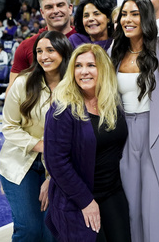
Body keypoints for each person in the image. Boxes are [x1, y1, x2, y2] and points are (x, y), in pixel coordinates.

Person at [111, 0, 159, 242]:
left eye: (135, 14)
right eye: (124, 14)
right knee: (131, 211)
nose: (128, 19)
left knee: (158, 214)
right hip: (123, 137)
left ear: (148, 18)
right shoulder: (113, 51)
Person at [44, 44, 131, 242]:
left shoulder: (112, 104)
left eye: (91, 65)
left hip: (112, 193)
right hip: (78, 197)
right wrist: (85, 201)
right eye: (78, 66)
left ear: (103, 70)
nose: (83, 71)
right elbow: (56, 162)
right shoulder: (62, 109)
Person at [0, 31, 72, 241]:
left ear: (63, 52)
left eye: (50, 50)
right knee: (29, 230)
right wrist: (39, 145)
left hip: (58, 167)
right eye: (39, 51)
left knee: (51, 231)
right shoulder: (23, 83)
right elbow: (9, 126)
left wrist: (52, 176)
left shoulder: (74, 87)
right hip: (20, 164)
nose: (44, 56)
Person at [5, 0, 76, 99]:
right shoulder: (26, 46)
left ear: (70, 8)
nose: (55, 11)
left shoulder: (86, 41)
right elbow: (12, 92)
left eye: (60, 5)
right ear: (42, 13)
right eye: (49, 7)